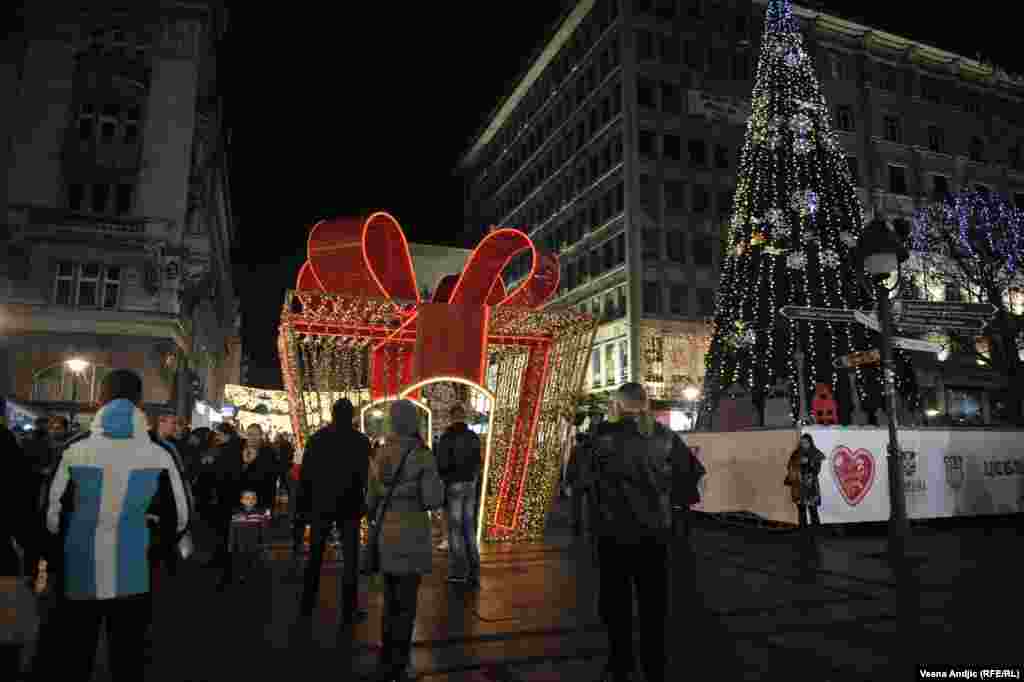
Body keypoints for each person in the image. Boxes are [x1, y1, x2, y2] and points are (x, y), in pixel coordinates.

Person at [41, 369, 189, 681]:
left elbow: (50, 513)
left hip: (81, 566)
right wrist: (155, 547)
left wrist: (59, 551)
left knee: (76, 652)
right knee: (129, 654)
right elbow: (181, 516)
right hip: (136, 568)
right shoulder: (161, 451)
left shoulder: (73, 447)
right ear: (139, 402)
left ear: (99, 400)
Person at [576, 382, 690, 682]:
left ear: (617, 404)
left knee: (616, 603)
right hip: (654, 533)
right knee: (654, 603)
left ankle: (620, 662)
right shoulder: (666, 437)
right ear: (645, 404)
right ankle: (655, 664)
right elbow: (688, 480)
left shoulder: (601, 438)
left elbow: (579, 478)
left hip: (613, 533)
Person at [366, 400, 444, 682]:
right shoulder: (422, 455)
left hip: (386, 535)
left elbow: (369, 503)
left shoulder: (380, 453)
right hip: (412, 536)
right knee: (407, 605)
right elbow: (434, 499)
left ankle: (386, 661)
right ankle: (400, 665)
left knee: (389, 603)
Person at [298, 399, 370, 623]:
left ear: (332, 414)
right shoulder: (360, 441)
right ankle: (349, 608)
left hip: (321, 505)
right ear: (352, 416)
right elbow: (364, 476)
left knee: (315, 556)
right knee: (351, 559)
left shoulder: (317, 439)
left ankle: (307, 604)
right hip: (349, 506)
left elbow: (306, 476)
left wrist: (304, 508)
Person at [436, 404, 482, 586]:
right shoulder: (473, 437)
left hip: (454, 485)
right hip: (470, 485)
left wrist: (446, 479)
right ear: (464, 416)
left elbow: (441, 464)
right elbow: (478, 462)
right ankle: (474, 569)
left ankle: (458, 571)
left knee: (454, 529)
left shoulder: (447, 438)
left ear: (451, 417)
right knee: (469, 528)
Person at [785, 433, 825, 530]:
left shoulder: (815, 453)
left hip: (811, 487)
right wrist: (797, 464)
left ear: (810, 443)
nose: (804, 444)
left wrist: (809, 462)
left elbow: (816, 471)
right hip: (798, 486)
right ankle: (803, 533)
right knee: (801, 511)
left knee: (813, 511)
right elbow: (789, 467)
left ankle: (816, 533)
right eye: (802, 442)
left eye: (806, 442)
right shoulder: (796, 453)